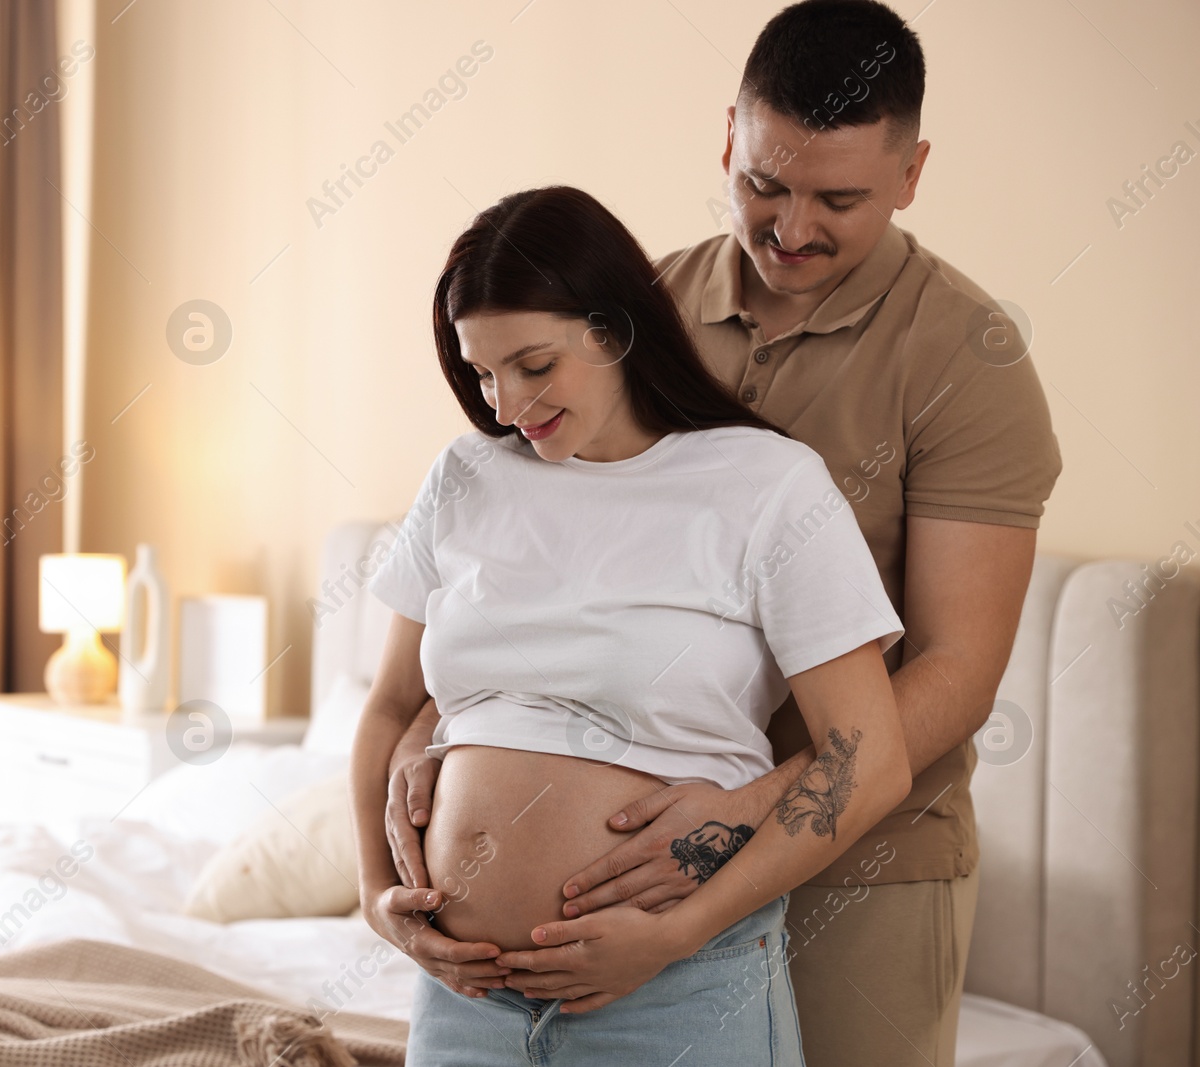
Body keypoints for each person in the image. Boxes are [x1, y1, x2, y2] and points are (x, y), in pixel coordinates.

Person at [380, 3, 1063, 1065]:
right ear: (729, 140)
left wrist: (740, 814)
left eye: (837, 197)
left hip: (866, 844)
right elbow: (547, 571)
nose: (790, 226)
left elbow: (955, 668)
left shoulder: (961, 361)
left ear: (912, 171)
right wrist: (443, 717)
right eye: (762, 184)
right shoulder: (644, 304)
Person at [351, 183, 914, 1065]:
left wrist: (679, 931)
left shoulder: (767, 486)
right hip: (466, 1003)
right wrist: (374, 895)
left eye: (534, 366)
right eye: (481, 372)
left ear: (613, 329)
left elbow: (867, 758)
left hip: (673, 996)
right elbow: (389, 706)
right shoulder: (465, 477)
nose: (503, 405)